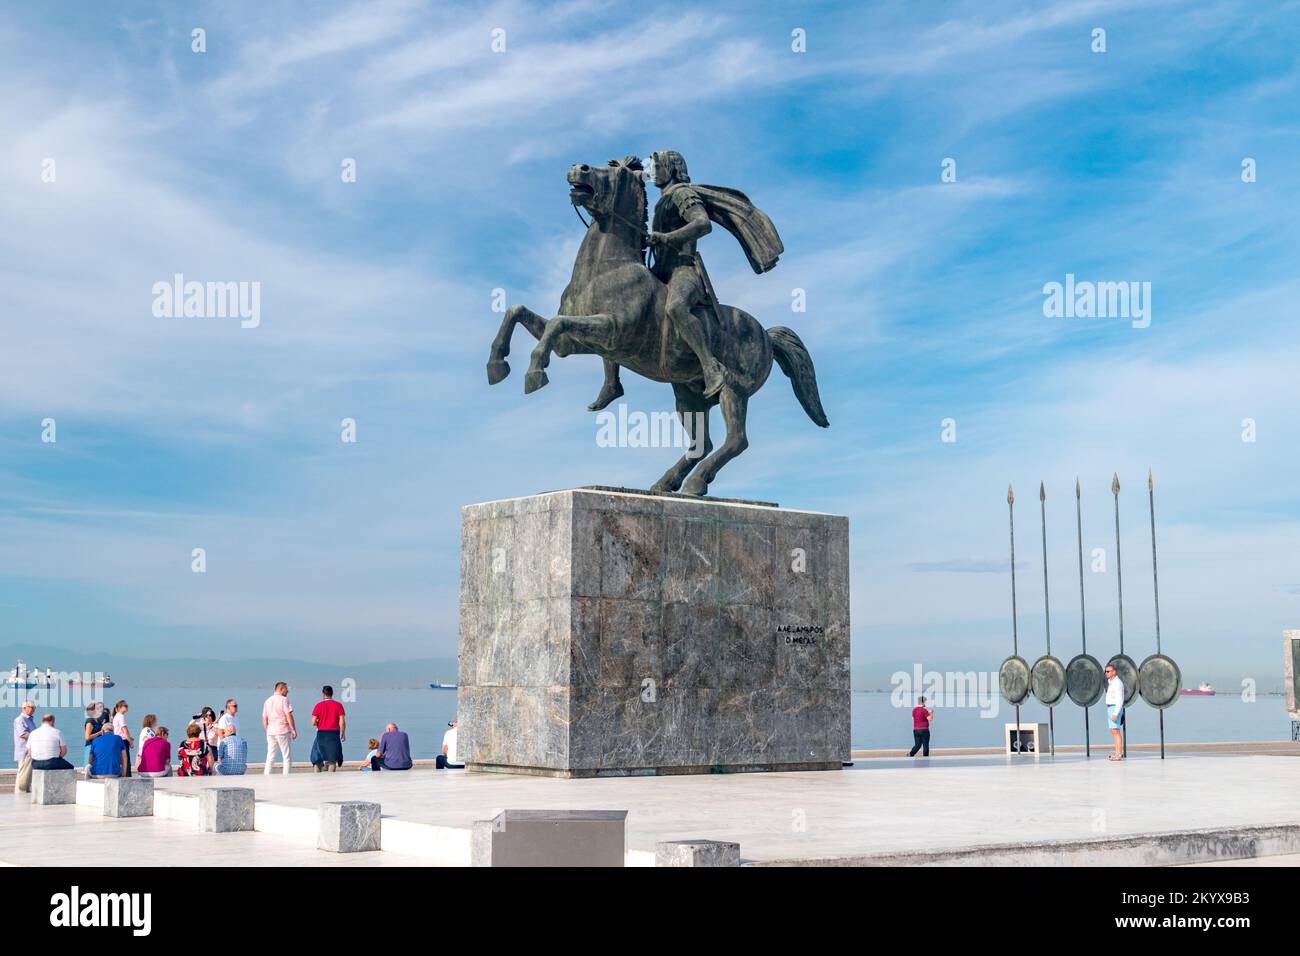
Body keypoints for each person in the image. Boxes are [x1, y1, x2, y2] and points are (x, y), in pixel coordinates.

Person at [262, 681, 296, 775]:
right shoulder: (284, 700)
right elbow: (288, 715)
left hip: (271, 731)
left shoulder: (267, 700)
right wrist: (293, 729)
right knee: (286, 756)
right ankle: (286, 776)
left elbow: (264, 718)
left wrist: (267, 730)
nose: (287, 691)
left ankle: (266, 775)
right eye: (286, 689)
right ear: (281, 689)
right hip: (283, 730)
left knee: (270, 755)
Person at [310, 685, 346, 772]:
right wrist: (343, 733)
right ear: (332, 693)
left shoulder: (318, 705)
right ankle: (331, 780)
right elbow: (342, 721)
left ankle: (317, 778)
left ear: (323, 694)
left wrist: (319, 723)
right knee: (332, 759)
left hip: (321, 733)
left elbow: (313, 722)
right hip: (334, 734)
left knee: (317, 758)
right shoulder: (338, 705)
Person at [13, 700, 36, 792]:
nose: (33, 709)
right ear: (24, 708)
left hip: (30, 751)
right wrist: (37, 736)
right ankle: (20, 793)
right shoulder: (20, 720)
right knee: (23, 774)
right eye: (31, 707)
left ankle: (26, 792)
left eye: (34, 707)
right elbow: (22, 734)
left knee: (27, 775)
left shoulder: (30, 719)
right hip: (23, 752)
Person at [1105, 662, 1126, 761]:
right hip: (1110, 708)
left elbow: (1120, 700)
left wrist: (1115, 713)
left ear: (1114, 672)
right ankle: (1117, 753)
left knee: (1116, 732)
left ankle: (1119, 755)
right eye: (1105, 671)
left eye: (1108, 671)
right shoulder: (1111, 682)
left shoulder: (1117, 683)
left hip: (1114, 708)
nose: (1106, 673)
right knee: (1114, 731)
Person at [83, 701, 111, 770]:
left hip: (97, 746)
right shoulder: (90, 721)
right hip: (90, 746)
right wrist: (99, 732)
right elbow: (87, 737)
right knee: (88, 767)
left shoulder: (97, 721)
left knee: (95, 767)